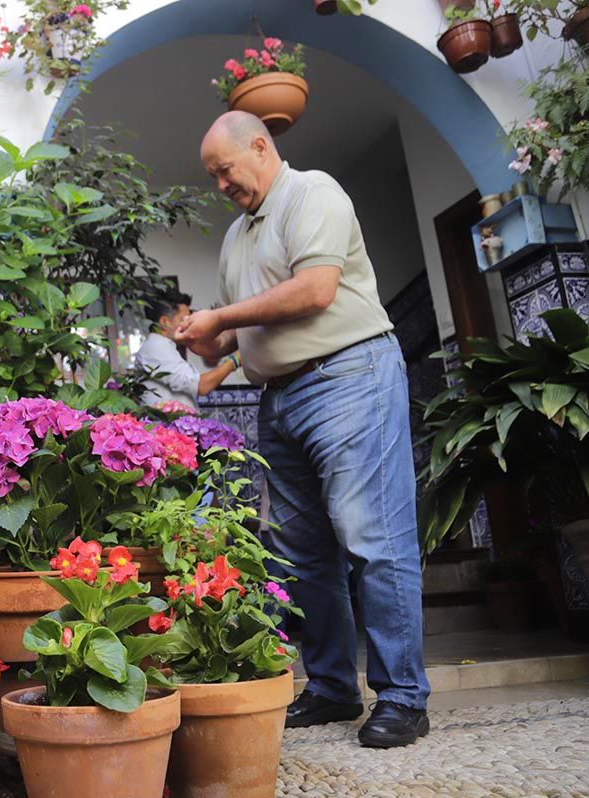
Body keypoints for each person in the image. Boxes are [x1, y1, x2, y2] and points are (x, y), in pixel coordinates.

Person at [175, 111, 430, 748]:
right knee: (300, 553)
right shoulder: (236, 237)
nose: (220, 185)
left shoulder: (313, 193)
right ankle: (333, 686)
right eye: (212, 176)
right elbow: (236, 332)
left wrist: (222, 318)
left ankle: (403, 696)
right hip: (280, 397)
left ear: (260, 147)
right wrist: (206, 337)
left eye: (224, 170)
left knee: (371, 534)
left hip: (349, 376)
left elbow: (315, 290)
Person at [133, 290, 242, 410]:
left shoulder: (164, 346)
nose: (189, 324)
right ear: (165, 322)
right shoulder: (157, 346)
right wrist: (235, 360)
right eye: (184, 319)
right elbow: (201, 386)